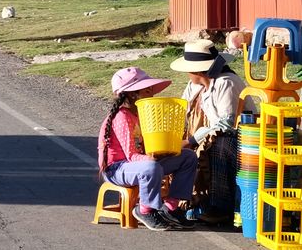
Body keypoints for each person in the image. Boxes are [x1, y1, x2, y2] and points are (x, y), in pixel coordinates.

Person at [100, 66, 199, 230]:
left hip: (142, 164)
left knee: (187, 157)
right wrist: (151, 158)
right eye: (147, 91)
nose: (152, 95)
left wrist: (165, 150)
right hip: (117, 169)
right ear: (133, 95)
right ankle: (145, 210)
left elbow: (148, 146)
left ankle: (172, 207)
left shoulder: (142, 115)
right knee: (150, 167)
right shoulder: (122, 117)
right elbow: (131, 155)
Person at [172, 39, 242, 224]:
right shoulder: (195, 86)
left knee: (219, 145)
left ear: (197, 70)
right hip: (207, 136)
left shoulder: (226, 83)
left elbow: (226, 124)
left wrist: (192, 140)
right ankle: (190, 202)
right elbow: (181, 109)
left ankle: (221, 207)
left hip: (238, 140)